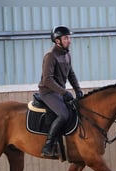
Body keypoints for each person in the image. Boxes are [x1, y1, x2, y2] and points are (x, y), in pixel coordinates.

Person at [38, 25, 83, 157]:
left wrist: (78, 89)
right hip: (48, 92)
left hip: (58, 92)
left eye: (69, 37)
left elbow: (71, 74)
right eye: (66, 38)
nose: (69, 40)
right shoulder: (50, 56)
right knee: (64, 115)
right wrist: (64, 92)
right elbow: (47, 80)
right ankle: (48, 146)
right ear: (58, 41)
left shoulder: (67, 55)